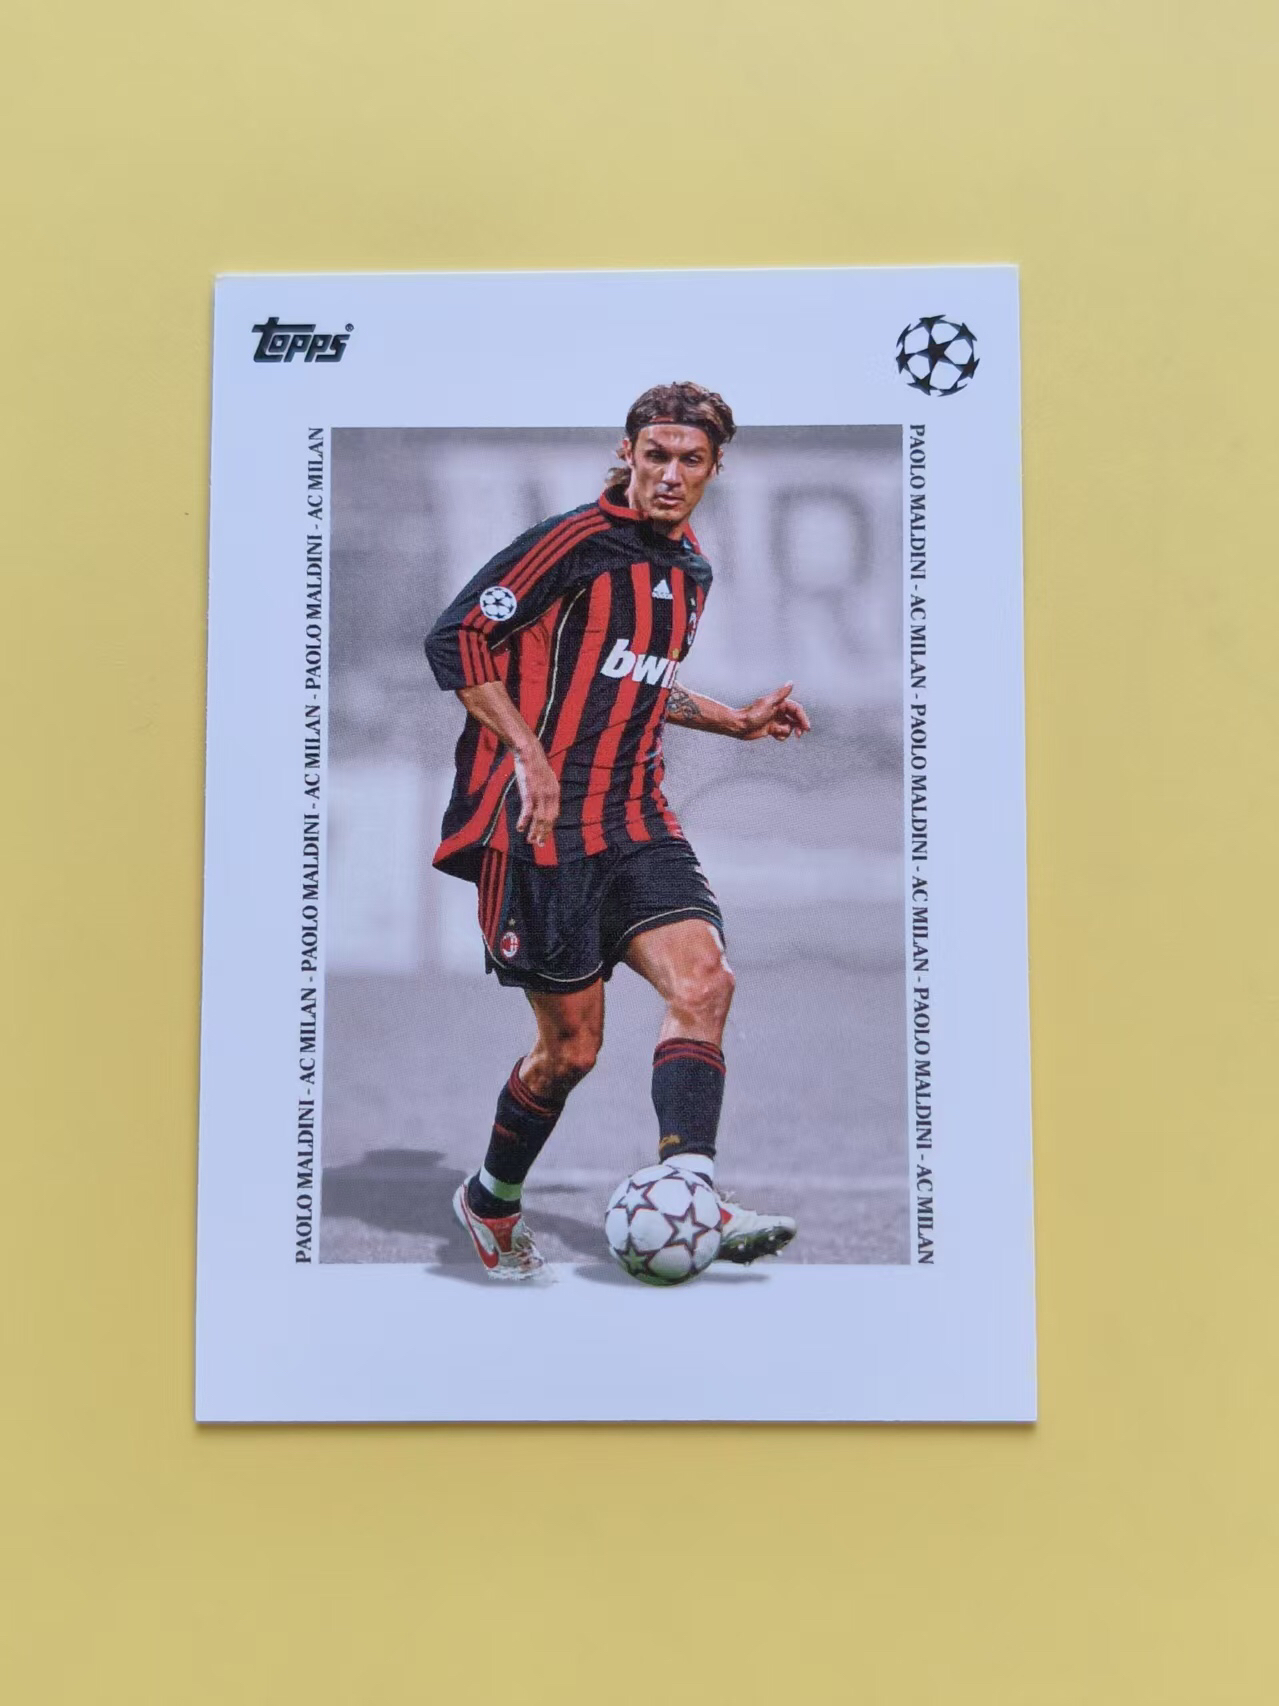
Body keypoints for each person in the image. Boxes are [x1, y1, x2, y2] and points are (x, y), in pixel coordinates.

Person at [424, 381, 811, 1279]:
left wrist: (735, 721)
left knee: (705, 981)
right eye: (655, 456)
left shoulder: (691, 571)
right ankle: (489, 1198)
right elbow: (456, 640)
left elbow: (638, 679)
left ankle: (691, 1188)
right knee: (570, 1053)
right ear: (627, 454)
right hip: (539, 832)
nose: (670, 474)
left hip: (636, 818)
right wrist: (527, 753)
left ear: (714, 468)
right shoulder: (572, 545)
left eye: (689, 460)